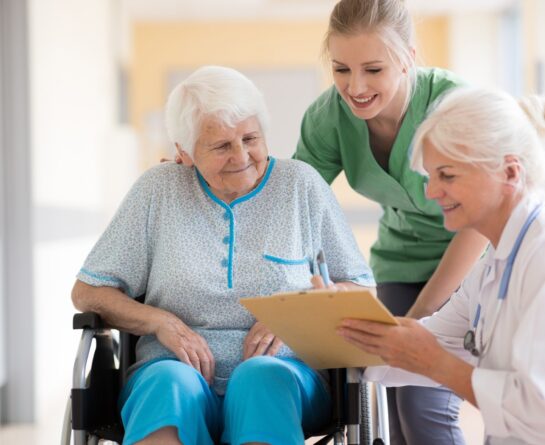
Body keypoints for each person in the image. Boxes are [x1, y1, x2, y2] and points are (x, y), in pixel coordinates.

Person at [71, 65, 375, 445]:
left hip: (288, 373)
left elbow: (362, 289)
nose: (241, 155)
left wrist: (297, 314)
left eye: (251, 138)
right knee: (169, 384)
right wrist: (160, 322)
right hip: (171, 366)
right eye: (220, 146)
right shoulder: (157, 191)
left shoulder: (301, 186)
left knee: (260, 377)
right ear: (184, 151)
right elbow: (89, 290)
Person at [293, 0, 489, 443]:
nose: (355, 86)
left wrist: (417, 322)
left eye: (374, 70)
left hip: (473, 264)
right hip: (399, 261)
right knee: (391, 405)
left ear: (409, 59)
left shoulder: (451, 106)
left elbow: (478, 222)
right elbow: (295, 206)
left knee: (424, 407)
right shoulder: (328, 119)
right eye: (341, 69)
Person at [333, 87, 545, 445]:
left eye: (447, 175)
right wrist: (328, 325)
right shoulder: (490, 267)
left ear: (509, 172)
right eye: (430, 177)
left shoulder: (538, 257)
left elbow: (536, 409)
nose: (431, 193)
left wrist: (437, 364)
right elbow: (425, 342)